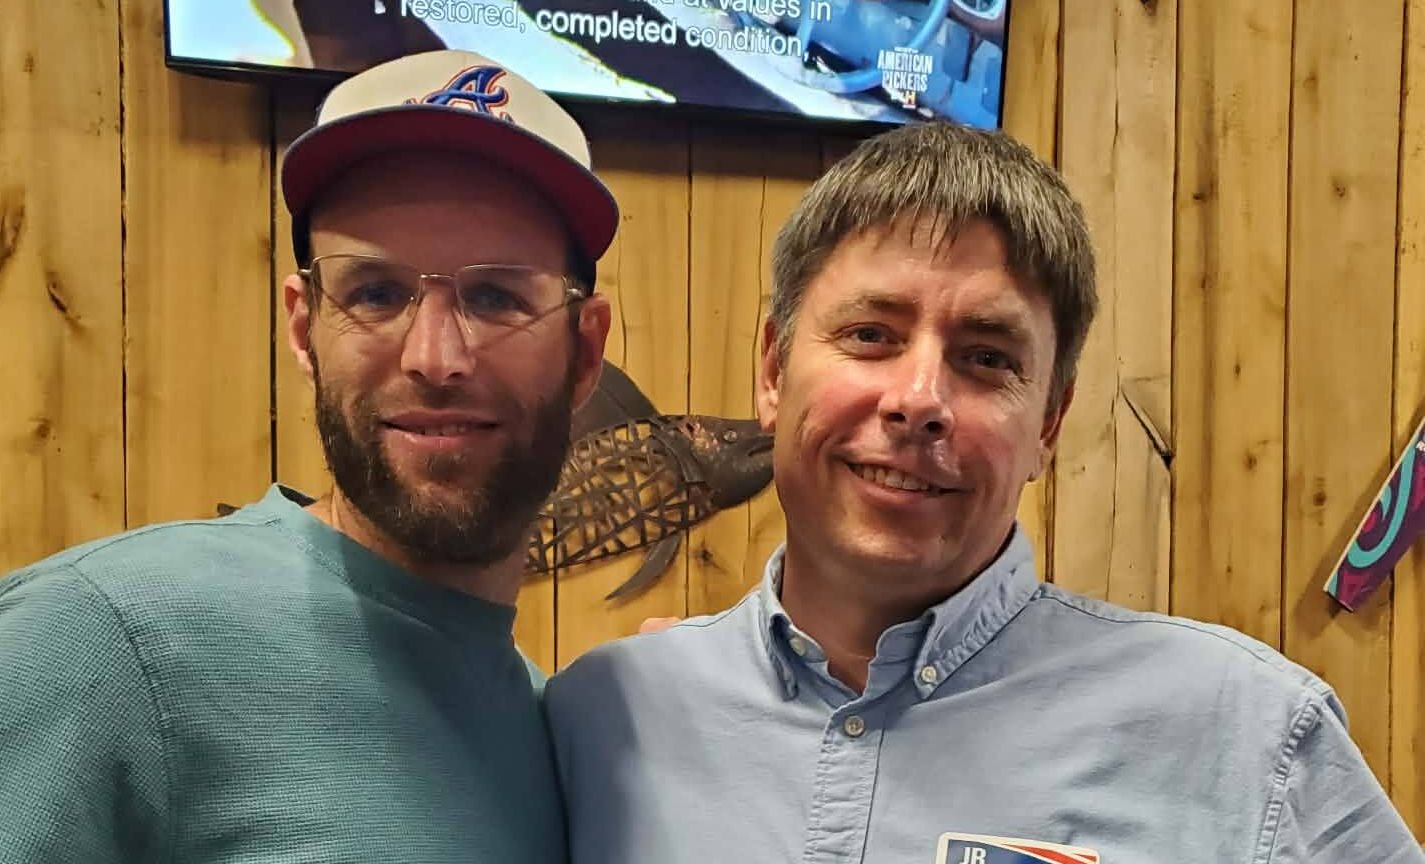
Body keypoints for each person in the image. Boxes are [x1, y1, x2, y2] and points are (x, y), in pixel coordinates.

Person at [545, 122, 1425, 862]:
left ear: (1049, 422)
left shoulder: (1248, 739)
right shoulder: (601, 719)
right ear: (774, 370)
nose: (919, 399)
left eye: (987, 358)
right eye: (870, 334)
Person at [0, 49, 613, 863]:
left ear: (585, 351)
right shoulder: (103, 639)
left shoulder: (557, 736)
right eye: (375, 293)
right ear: (305, 329)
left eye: (497, 297)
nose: (435, 357)